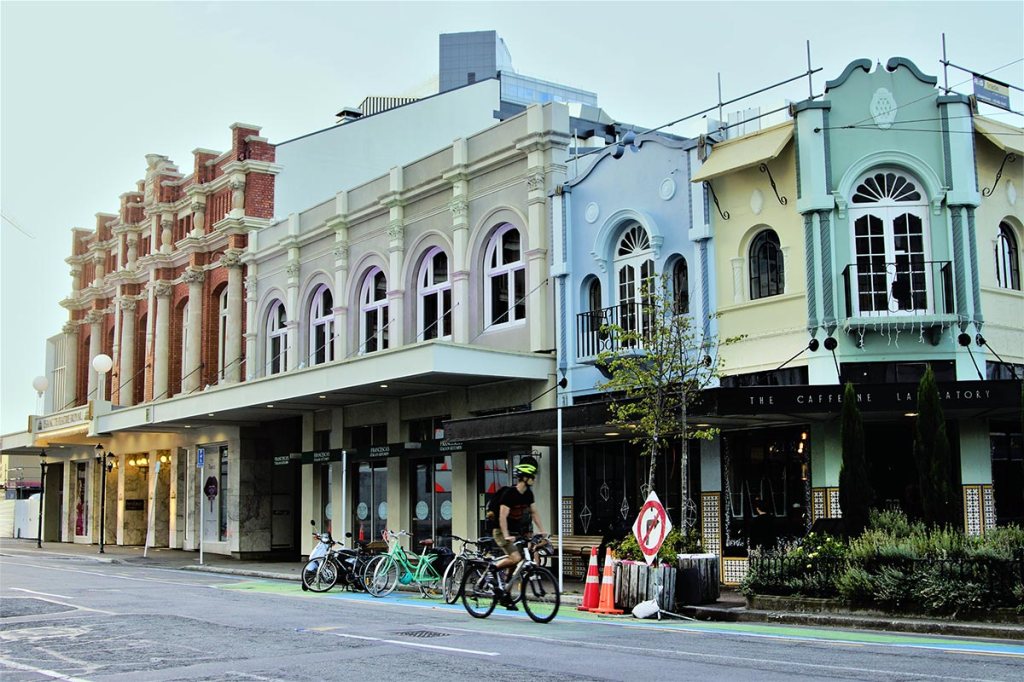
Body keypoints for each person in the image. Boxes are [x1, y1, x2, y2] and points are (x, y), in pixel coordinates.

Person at [493, 456, 547, 609]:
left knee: (519, 559)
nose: (534, 479)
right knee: (515, 557)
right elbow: (502, 515)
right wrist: (506, 534)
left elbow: (534, 513)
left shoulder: (528, 494)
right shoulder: (510, 494)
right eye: (532, 477)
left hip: (516, 532)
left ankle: (505, 592)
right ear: (525, 477)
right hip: (500, 531)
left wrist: (542, 531)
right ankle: (493, 568)